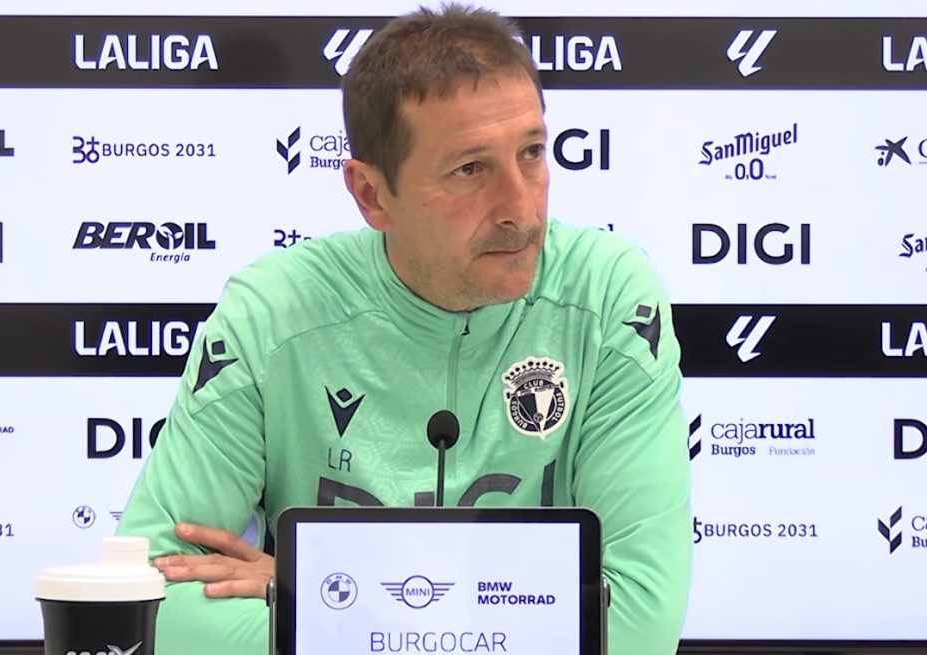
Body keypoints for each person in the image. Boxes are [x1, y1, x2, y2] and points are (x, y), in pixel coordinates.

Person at [116, 4, 692, 654]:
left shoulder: (608, 298)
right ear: (371, 194)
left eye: (532, 153)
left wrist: (322, 597)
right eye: (470, 169)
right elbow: (149, 602)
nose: (520, 208)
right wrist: (506, 614)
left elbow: (637, 626)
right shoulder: (272, 314)